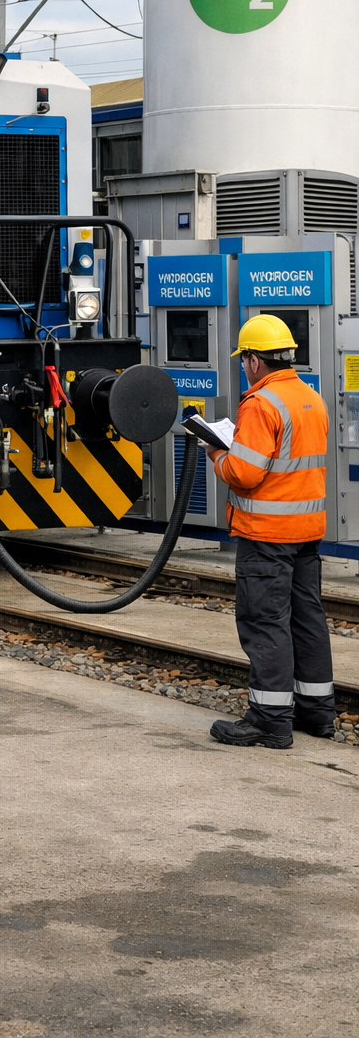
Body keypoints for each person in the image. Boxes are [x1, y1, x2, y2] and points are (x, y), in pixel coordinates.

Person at [207, 313, 335, 749]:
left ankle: (269, 719)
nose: (245, 367)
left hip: (267, 535)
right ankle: (317, 713)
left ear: (255, 361)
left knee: (265, 623)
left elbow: (244, 472)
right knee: (307, 619)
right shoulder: (310, 398)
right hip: (307, 532)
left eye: (245, 359)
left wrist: (214, 453)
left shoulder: (261, 404)